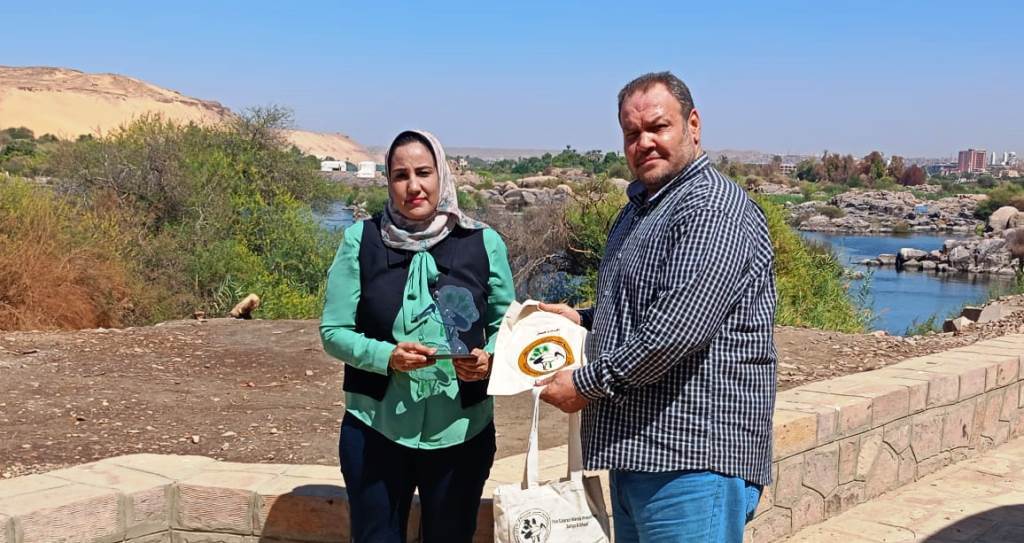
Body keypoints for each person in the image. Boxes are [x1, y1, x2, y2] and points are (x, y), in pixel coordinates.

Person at [538, 71, 778, 542]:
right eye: (632, 133)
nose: (644, 142)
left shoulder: (710, 208)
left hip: (691, 463)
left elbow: (676, 331)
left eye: (657, 127)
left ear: (693, 124)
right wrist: (583, 319)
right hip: (640, 456)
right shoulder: (641, 209)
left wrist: (585, 384)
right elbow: (648, 305)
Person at [320, 129, 515, 542]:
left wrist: (489, 359)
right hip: (375, 429)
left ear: (442, 174)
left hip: (462, 432)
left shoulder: (483, 242)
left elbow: (508, 326)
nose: (413, 186)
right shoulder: (361, 240)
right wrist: (386, 356)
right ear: (388, 182)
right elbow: (333, 331)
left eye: (423, 173)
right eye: (400, 175)